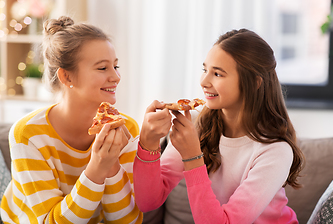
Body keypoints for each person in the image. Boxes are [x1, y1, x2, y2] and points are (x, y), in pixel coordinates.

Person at [134, 29, 304, 223]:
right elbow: (147, 202)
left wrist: (192, 157)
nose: (204, 81)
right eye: (205, 70)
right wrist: (148, 145)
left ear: (255, 82)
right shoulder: (198, 129)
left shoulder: (275, 151)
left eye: (218, 74)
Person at [0, 16, 143, 223]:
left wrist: (111, 166)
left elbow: (127, 221)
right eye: (103, 68)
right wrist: (97, 167)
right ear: (67, 77)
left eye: (116, 66)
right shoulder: (28, 134)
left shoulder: (125, 128)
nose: (116, 77)